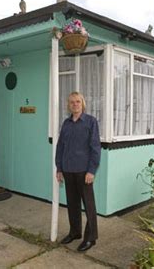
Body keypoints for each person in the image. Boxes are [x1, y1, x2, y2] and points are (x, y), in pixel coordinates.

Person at [55, 91, 100, 252]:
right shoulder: (66, 123)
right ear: (68, 105)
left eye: (78, 102)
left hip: (84, 171)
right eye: (72, 102)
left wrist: (91, 170)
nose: (75, 104)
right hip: (68, 170)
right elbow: (60, 147)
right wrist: (59, 168)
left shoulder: (90, 122)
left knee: (89, 206)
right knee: (72, 204)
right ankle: (75, 232)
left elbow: (95, 148)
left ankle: (91, 238)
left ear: (83, 104)